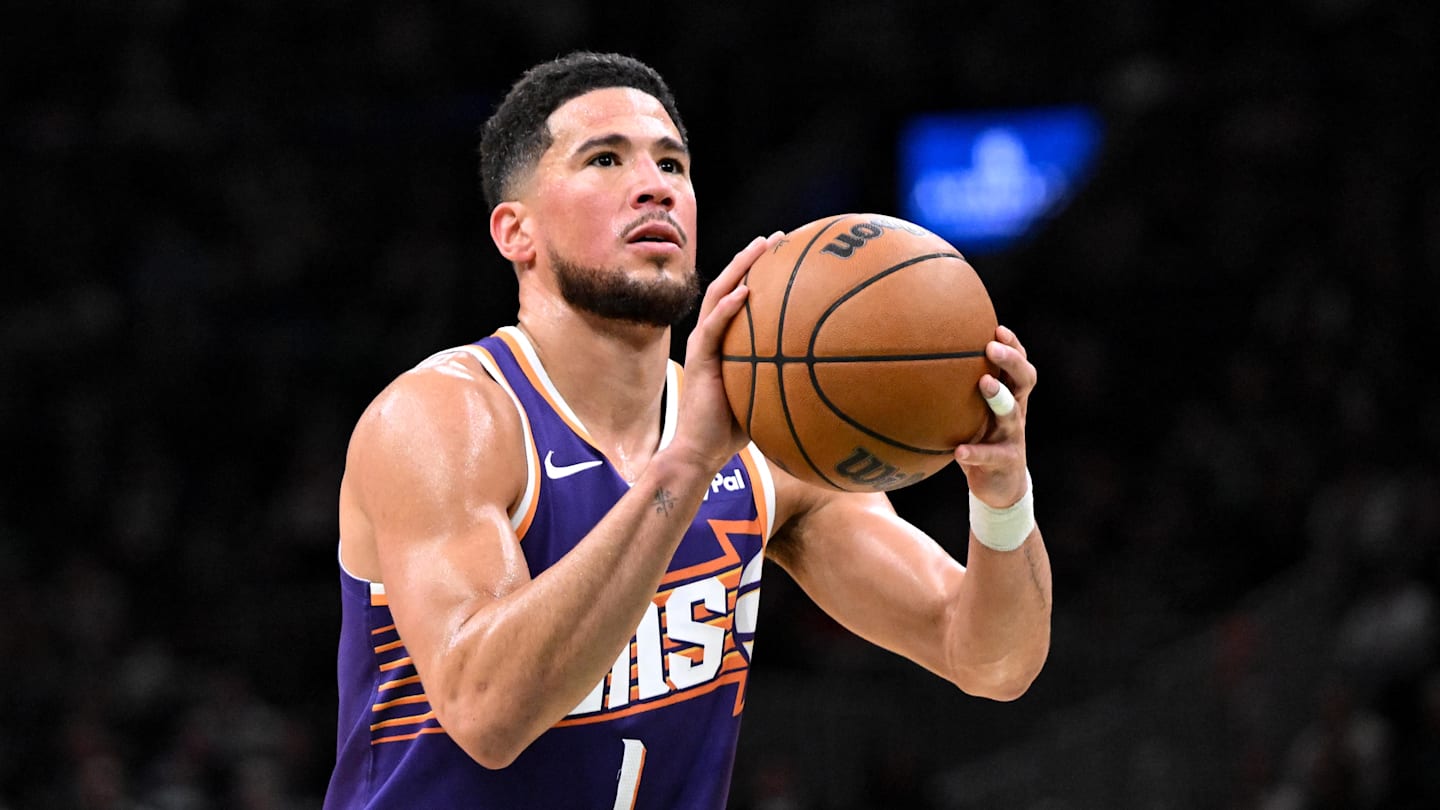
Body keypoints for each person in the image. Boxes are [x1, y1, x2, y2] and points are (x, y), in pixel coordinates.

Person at [324, 51, 1051, 809]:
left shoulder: (766, 443)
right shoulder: (444, 421)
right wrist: (687, 463)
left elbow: (992, 662)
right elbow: (487, 713)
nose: (655, 185)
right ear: (516, 231)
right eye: (605, 159)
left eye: (672, 163)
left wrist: (1003, 495)